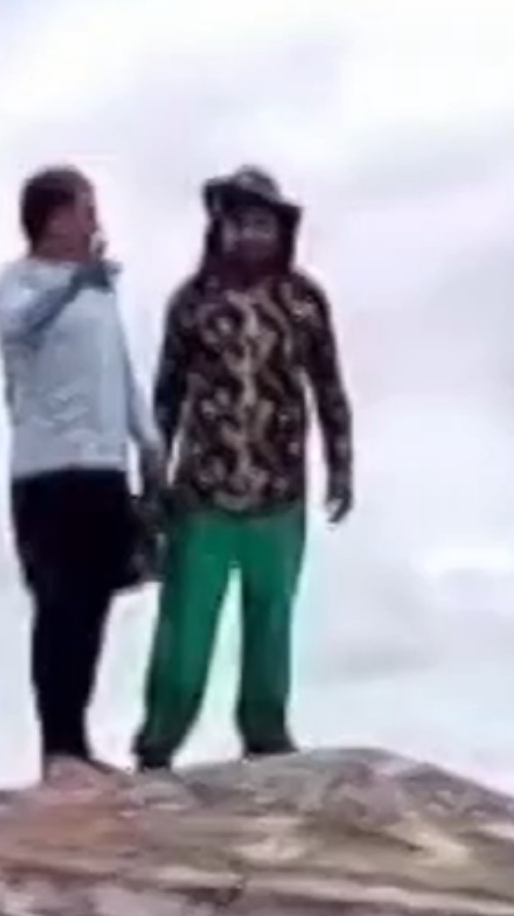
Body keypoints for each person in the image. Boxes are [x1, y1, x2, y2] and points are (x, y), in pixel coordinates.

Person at [134, 165, 353, 766]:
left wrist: (341, 463)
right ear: (220, 228)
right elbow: (166, 397)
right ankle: (159, 741)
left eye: (265, 224)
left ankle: (265, 732)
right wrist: (151, 484)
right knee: (185, 629)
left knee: (272, 621)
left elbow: (328, 385)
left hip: (279, 493)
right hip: (202, 493)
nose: (254, 235)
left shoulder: (304, 302)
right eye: (242, 223)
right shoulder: (192, 302)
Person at [0, 166, 163, 786]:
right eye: (87, 209)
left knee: (92, 606)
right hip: (47, 469)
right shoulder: (20, 282)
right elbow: (18, 325)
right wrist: (71, 284)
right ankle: (56, 748)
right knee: (58, 605)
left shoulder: (98, 291)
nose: (96, 222)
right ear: (56, 217)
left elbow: (120, 369)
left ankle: (79, 745)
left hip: (104, 469)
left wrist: (149, 444)